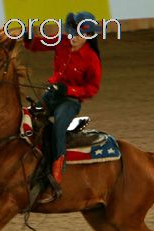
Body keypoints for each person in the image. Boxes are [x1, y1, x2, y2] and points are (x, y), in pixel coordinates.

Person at [24, 12, 102, 189]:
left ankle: (58, 168)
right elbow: (36, 45)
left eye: (78, 35)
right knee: (29, 115)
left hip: (70, 101)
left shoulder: (91, 59)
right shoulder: (61, 41)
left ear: (88, 36)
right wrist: (28, 36)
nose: (73, 37)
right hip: (52, 95)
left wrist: (70, 90)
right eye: (72, 32)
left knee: (59, 126)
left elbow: (92, 88)